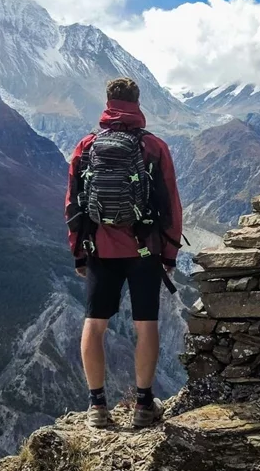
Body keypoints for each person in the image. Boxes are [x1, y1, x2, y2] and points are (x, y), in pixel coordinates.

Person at [65, 77, 183, 428]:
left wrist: (79, 251)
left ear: (107, 103)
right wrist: (169, 253)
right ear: (138, 102)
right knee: (146, 325)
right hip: (145, 249)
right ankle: (144, 405)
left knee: (95, 323)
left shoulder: (87, 146)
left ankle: (97, 406)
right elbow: (171, 204)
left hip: (100, 248)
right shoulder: (154, 147)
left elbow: (72, 204)